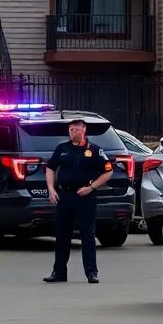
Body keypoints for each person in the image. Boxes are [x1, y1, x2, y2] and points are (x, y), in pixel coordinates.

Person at [42, 118, 114, 284]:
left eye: (77, 130)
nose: (74, 133)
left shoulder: (94, 150)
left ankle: (91, 272)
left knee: (87, 235)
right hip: (65, 196)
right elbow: (50, 168)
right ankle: (59, 272)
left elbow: (108, 171)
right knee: (62, 236)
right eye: (71, 130)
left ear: (84, 130)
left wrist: (92, 187)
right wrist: (51, 189)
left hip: (85, 197)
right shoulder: (62, 148)